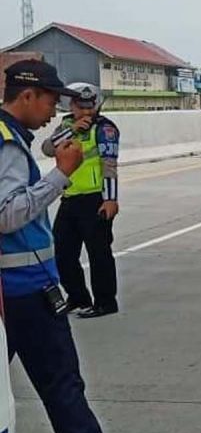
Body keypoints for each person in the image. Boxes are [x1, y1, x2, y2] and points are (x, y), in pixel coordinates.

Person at [0, 61, 115, 433]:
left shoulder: (12, 136)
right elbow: (6, 214)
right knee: (64, 389)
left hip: (12, 292)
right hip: (27, 291)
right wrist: (60, 174)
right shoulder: (8, 144)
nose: (54, 112)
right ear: (27, 95)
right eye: (51, 101)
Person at [43, 83, 121, 318]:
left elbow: (109, 166)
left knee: (99, 254)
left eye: (90, 107)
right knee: (62, 253)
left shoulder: (105, 129)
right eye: (80, 107)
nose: (86, 112)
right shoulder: (66, 126)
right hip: (70, 197)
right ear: (72, 106)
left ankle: (105, 302)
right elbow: (47, 148)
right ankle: (78, 297)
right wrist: (72, 130)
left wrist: (111, 199)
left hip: (95, 199)